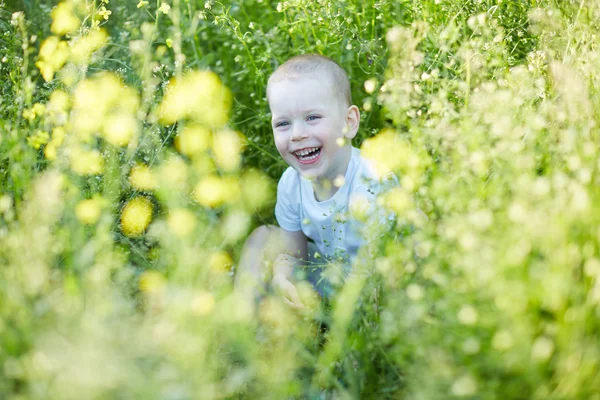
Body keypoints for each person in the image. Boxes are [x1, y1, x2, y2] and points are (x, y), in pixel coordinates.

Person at [235, 54, 391, 308]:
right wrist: (283, 277)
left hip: (378, 290)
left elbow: (379, 273)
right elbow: (294, 253)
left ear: (349, 123)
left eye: (312, 118)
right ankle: (241, 325)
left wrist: (330, 309)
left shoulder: (371, 183)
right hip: (331, 276)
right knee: (263, 238)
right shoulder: (291, 183)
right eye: (283, 123)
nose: (297, 134)